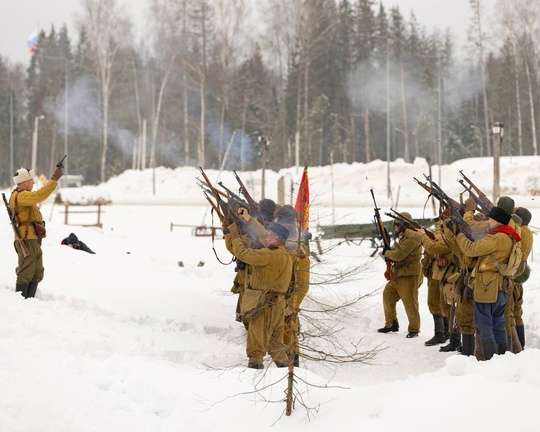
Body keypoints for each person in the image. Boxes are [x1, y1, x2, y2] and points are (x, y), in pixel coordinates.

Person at [224, 208, 293, 369]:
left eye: (270, 236)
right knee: (277, 346)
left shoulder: (267, 255)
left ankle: (254, 377)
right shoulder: (284, 254)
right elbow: (263, 234)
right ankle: (286, 377)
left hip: (263, 306)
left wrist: (234, 233)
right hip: (278, 306)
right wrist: (248, 218)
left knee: (256, 347)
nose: (266, 237)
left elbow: (242, 253)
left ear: (276, 240)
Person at [453, 205, 521, 360]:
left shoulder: (496, 237)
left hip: (487, 287)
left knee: (483, 323)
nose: (488, 221)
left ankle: (489, 360)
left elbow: (471, 249)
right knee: (498, 323)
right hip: (500, 286)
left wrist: (459, 235)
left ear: (496, 221)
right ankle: (503, 358)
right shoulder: (509, 236)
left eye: (490, 218)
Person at [9, 165, 63, 298]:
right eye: (30, 180)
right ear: (23, 182)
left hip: (33, 239)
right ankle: (22, 300)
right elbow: (40, 195)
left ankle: (30, 299)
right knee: (26, 271)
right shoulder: (21, 196)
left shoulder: (24, 196)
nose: (33, 182)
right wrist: (54, 179)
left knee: (37, 272)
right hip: (26, 239)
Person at [378, 212, 423, 338]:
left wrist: (387, 253)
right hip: (398, 274)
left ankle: (414, 329)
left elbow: (398, 255)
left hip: (409, 275)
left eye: (397, 225)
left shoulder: (412, 239)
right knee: (388, 295)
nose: (395, 228)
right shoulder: (404, 238)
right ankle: (391, 323)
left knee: (410, 303)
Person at [275, 205, 311, 367]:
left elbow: (302, 285)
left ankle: (292, 365)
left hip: (288, 300)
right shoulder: (284, 247)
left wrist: (292, 305)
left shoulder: (299, 254)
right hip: (279, 299)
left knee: (289, 334)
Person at [513, 207, 532, 349]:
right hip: (519, 276)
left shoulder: (519, 231)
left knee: (511, 313)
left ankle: (516, 346)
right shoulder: (528, 232)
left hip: (513, 275)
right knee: (517, 312)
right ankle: (521, 344)